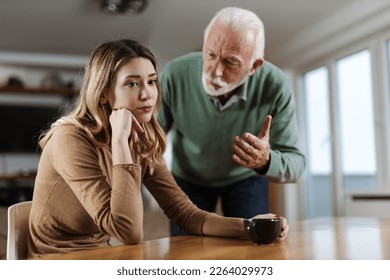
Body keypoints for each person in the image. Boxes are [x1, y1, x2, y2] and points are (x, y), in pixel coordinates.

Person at [27, 38, 289, 258]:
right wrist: (120, 144)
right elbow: (127, 232)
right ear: (104, 93)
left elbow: (184, 213)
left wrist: (250, 226)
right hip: (54, 260)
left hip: (102, 254)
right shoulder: (70, 138)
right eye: (132, 83)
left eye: (151, 81)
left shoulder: (143, 137)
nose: (147, 94)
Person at [158, 7, 306, 235]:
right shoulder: (174, 74)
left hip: (245, 179)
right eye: (210, 55)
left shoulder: (276, 85)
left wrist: (266, 161)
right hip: (188, 177)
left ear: (254, 66)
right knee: (185, 253)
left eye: (231, 62)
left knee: (252, 247)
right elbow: (151, 137)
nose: (215, 71)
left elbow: (297, 164)